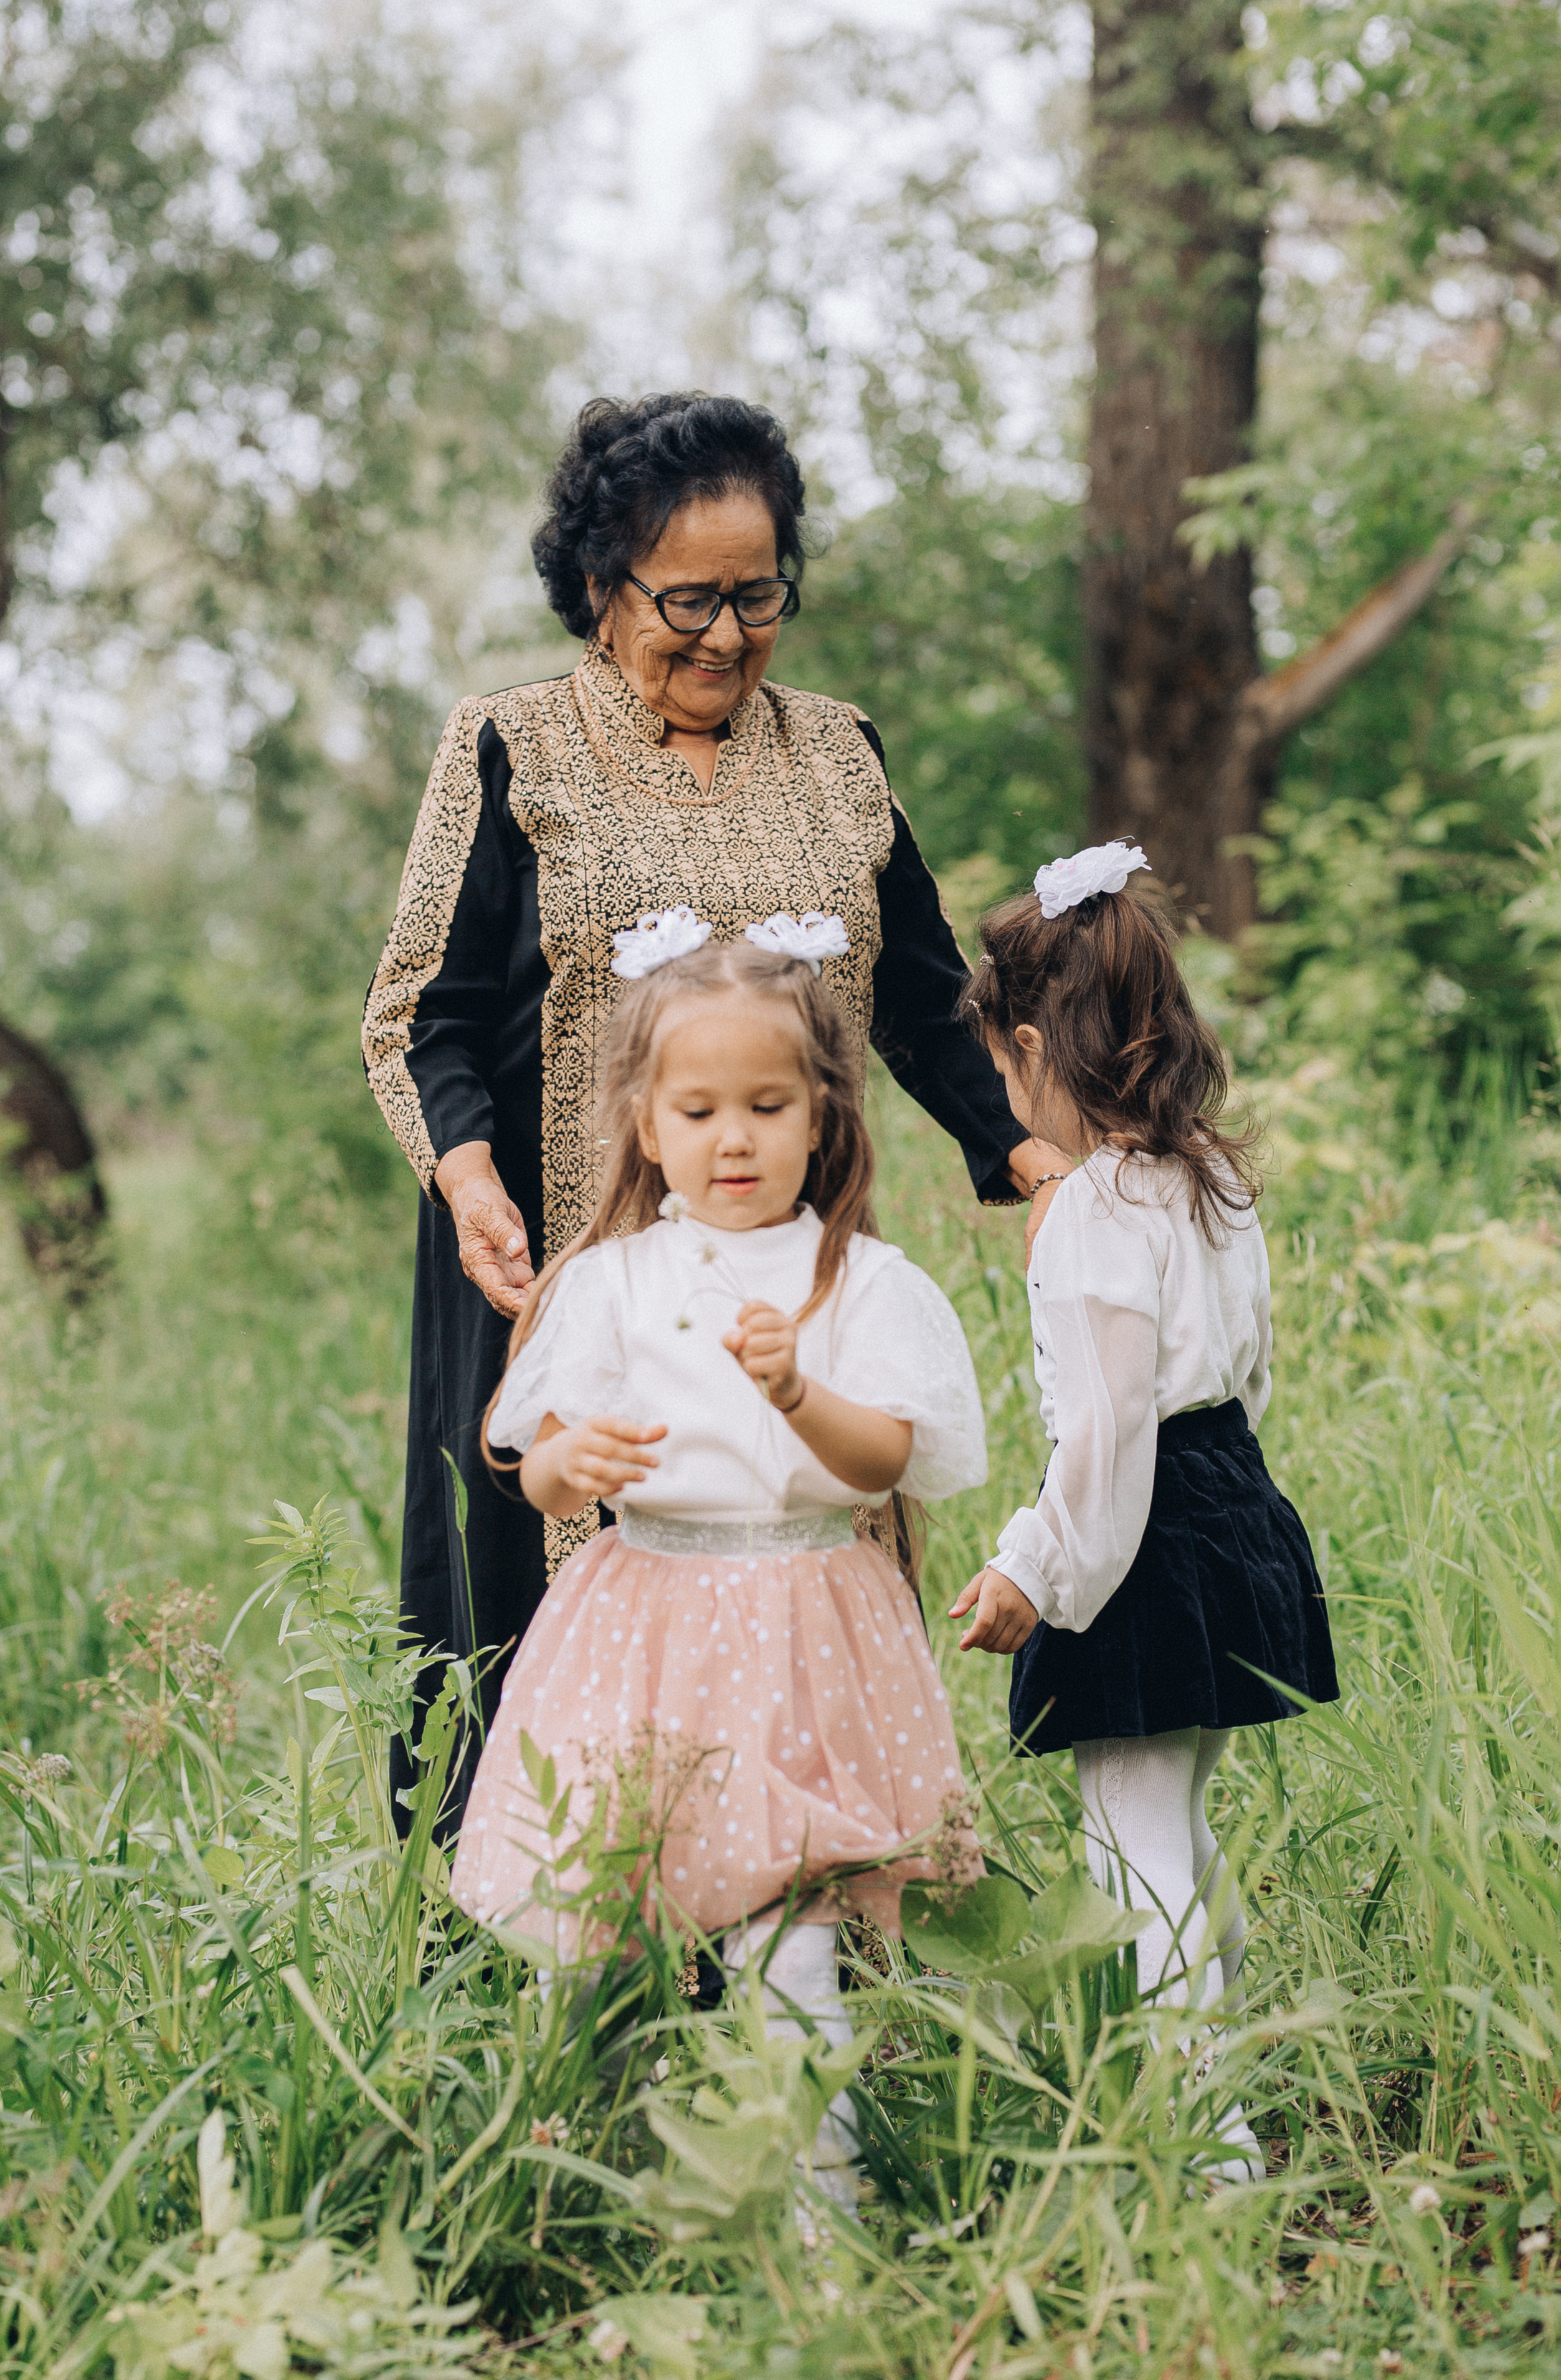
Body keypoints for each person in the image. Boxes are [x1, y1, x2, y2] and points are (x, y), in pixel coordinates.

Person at [362, 391, 1045, 1827]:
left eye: (758, 596)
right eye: (687, 599)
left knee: (786, 1554)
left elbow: (923, 995)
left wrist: (1027, 1152)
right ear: (602, 592)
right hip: (545, 1252)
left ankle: (798, 1909)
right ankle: (518, 1950)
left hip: (781, 1248)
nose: (725, 635)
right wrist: (472, 1186)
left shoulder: (838, 752)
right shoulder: (511, 745)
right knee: (532, 1595)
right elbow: (427, 1009)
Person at [449, 920, 987, 2209]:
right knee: (586, 1940)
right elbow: (534, 1463)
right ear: (645, 1124)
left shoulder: (857, 1280)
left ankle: (821, 2214)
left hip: (804, 1619)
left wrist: (797, 1392)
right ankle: (559, 2189)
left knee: (788, 1943)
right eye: (696, 1110)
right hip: (642, 1620)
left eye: (765, 1105)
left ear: (822, 1118)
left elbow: (881, 1463)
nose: (731, 1139)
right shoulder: (612, 1282)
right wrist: (569, 1468)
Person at [947, 840, 1339, 2180]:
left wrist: (1031, 1570)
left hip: (1143, 1534)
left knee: (1132, 1839)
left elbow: (1108, 1427)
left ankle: (1202, 2134)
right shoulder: (1206, 1179)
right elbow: (1247, 1366)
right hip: (1231, 1500)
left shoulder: (1088, 1210)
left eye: (1002, 1069)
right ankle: (1220, 2070)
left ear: (1031, 1049)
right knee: (1181, 1815)